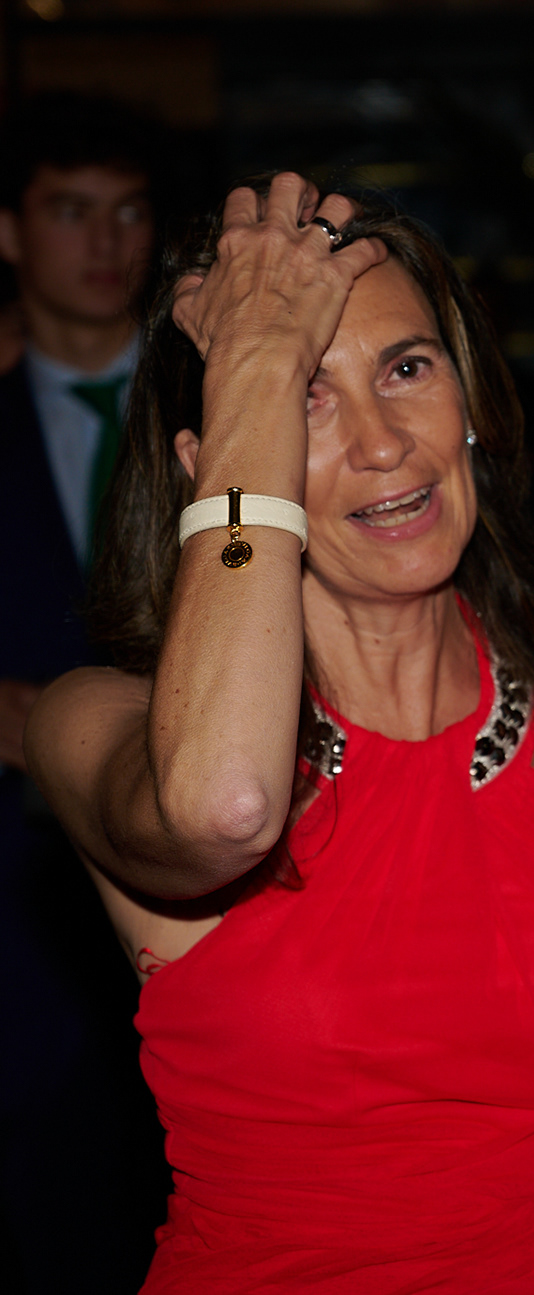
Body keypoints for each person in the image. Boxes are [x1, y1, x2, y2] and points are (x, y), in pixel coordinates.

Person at [25, 174, 534, 1292]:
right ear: (215, 457)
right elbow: (225, 809)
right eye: (306, 397)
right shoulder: (103, 722)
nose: (383, 444)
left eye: (407, 369)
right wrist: (255, 368)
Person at [0, 90, 167, 1290]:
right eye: (72, 211)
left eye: (128, 212)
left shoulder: (219, 408)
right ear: (12, 233)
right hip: (20, 901)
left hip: (207, 858)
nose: (106, 242)